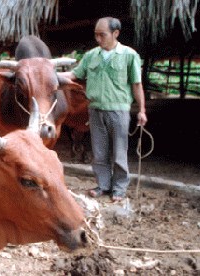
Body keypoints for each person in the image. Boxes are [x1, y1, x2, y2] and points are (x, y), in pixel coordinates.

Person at [61, 17, 147, 201]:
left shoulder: (129, 55)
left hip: (119, 110)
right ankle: (103, 185)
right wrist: (49, 73)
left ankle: (119, 188)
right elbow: (74, 74)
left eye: (102, 35)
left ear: (116, 33)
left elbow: (137, 84)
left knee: (119, 151)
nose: (98, 39)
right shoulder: (91, 55)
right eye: (96, 35)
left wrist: (142, 110)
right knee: (99, 152)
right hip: (95, 109)